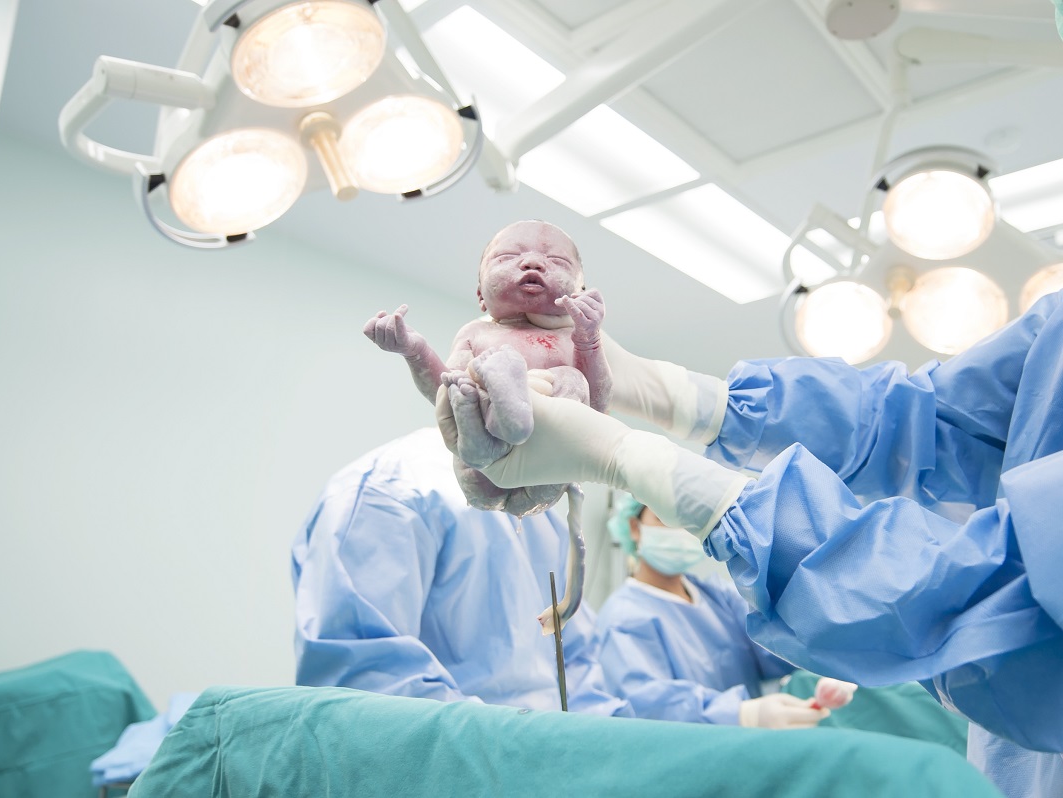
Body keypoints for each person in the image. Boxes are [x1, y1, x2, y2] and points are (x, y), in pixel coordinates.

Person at [438, 291, 1063, 798]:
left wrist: (647, 464)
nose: (669, 529)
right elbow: (920, 417)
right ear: (631, 530)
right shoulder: (631, 615)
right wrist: (671, 393)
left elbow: (1011, 602)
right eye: (656, 517)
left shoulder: (707, 599)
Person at [290, 427, 629, 716]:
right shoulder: (388, 492)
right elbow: (368, 691)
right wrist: (516, 747)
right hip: (450, 764)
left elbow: (578, 661)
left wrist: (599, 743)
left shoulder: (538, 507)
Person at [363, 219, 609, 518]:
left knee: (571, 379)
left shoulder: (573, 338)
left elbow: (597, 404)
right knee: (461, 385)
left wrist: (589, 339)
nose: (532, 263)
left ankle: (509, 412)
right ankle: (498, 415)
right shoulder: (476, 333)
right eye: (508, 257)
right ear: (481, 295)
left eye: (556, 261)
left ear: (581, 292)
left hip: (543, 464)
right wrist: (416, 351)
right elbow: (443, 391)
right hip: (480, 466)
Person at [597, 493, 853, 729]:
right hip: (692, 756)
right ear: (634, 527)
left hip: (743, 748)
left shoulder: (718, 597)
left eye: (686, 519)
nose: (679, 529)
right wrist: (741, 714)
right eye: (664, 517)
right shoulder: (624, 618)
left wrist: (826, 660)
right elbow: (647, 707)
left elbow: (775, 645)